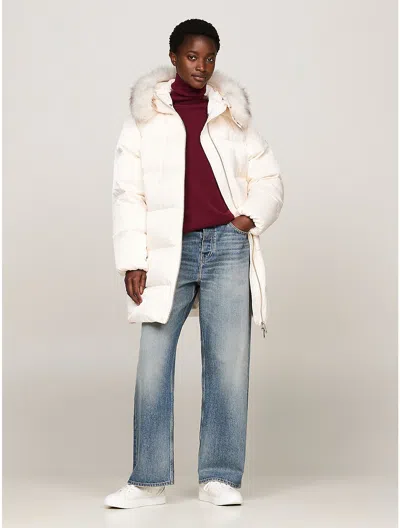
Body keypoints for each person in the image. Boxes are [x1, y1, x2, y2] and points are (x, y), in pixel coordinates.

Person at [105, 18, 284, 509]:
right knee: (153, 364)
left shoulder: (229, 113)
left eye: (209, 58)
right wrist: (133, 261)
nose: (201, 66)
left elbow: (268, 176)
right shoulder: (145, 117)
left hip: (226, 246)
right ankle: (147, 481)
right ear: (173, 57)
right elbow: (128, 192)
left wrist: (247, 219)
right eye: (191, 56)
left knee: (228, 363)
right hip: (169, 250)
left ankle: (220, 476)